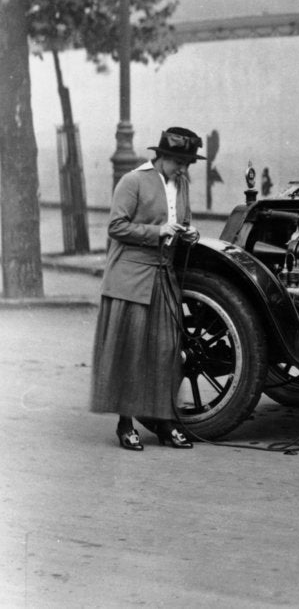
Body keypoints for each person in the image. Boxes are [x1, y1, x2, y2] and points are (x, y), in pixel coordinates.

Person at [90, 127, 204, 451]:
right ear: (163, 157)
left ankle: (165, 423)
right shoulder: (133, 181)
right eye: (180, 162)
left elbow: (181, 221)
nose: (184, 169)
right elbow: (116, 226)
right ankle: (125, 423)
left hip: (163, 277)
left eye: (188, 163)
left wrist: (187, 232)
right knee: (132, 353)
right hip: (130, 278)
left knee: (167, 353)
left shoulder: (180, 184)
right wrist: (158, 231)